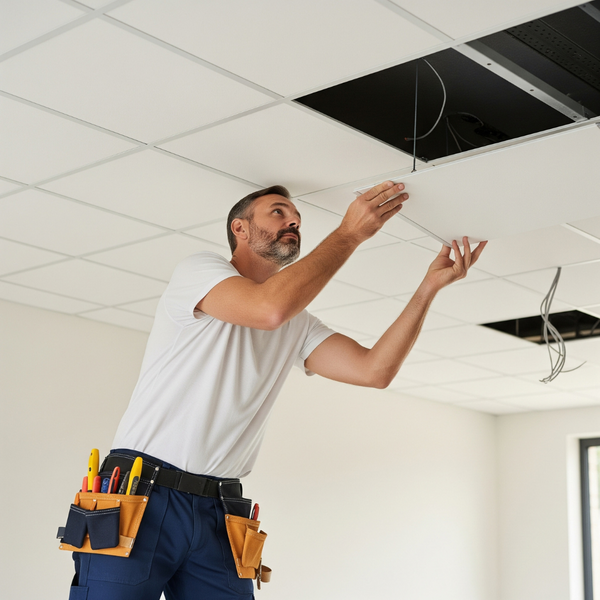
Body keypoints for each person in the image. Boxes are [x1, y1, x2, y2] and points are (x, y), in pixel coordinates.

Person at [67, 181, 486, 600]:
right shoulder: (199, 272)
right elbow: (267, 309)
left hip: (220, 508)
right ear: (240, 229)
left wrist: (428, 289)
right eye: (278, 212)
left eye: (297, 220)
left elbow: (374, 370)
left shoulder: (297, 323)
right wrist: (349, 234)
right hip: (142, 491)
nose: (294, 222)